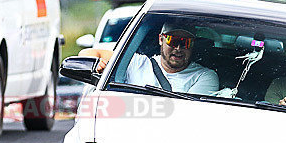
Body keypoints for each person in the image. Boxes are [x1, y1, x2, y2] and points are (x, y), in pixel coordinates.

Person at [79, 21, 219, 95]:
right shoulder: (135, 63)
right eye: (172, 40)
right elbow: (87, 53)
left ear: (193, 45)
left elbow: (188, 115)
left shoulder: (204, 76)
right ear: (161, 39)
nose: (178, 48)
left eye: (185, 42)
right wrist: (98, 64)